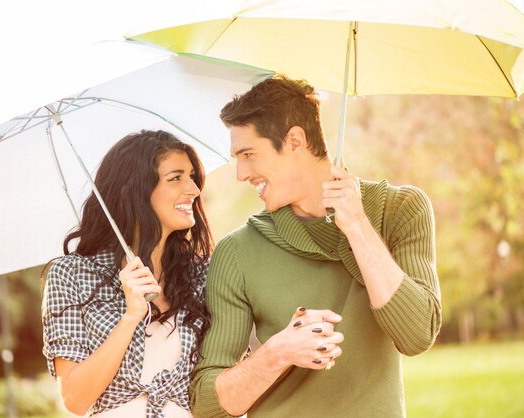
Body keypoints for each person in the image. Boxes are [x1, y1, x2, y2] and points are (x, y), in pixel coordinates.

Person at [190, 76, 442, 418]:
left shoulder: (399, 211)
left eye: (248, 154)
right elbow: (208, 404)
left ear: (295, 140)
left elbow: (417, 336)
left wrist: (357, 226)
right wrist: (277, 352)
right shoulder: (238, 251)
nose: (241, 174)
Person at [42, 130, 213, 417]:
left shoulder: (204, 274)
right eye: (176, 178)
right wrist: (131, 316)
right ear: (134, 191)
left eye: (192, 176)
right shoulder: (70, 274)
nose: (193, 189)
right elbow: (75, 398)